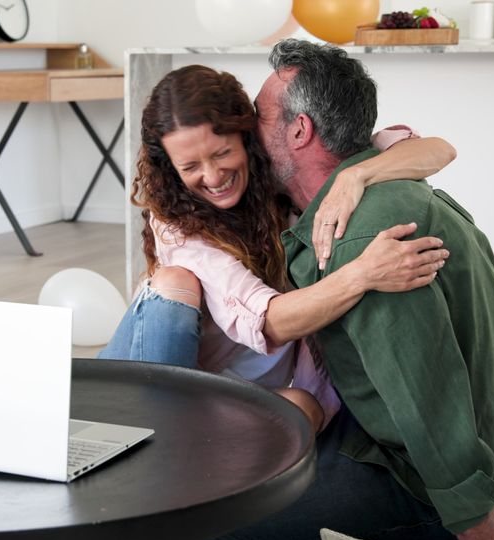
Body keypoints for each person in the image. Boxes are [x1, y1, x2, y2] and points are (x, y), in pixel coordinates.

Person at [200, 40, 494, 540]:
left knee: (200, 511)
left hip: (435, 488)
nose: (248, 133)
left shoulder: (363, 239)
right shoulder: (392, 179)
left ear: (299, 130)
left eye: (260, 118)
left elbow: (430, 410)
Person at [97, 64, 455, 433]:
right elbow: (268, 322)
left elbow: (438, 150)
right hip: (160, 384)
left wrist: (356, 175)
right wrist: (363, 274)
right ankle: (150, 436)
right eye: (190, 166)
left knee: (304, 406)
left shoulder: (273, 171)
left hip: (226, 397)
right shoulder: (179, 228)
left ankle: (193, 444)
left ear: (243, 137)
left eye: (221, 153)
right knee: (175, 282)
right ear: (171, 168)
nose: (213, 176)